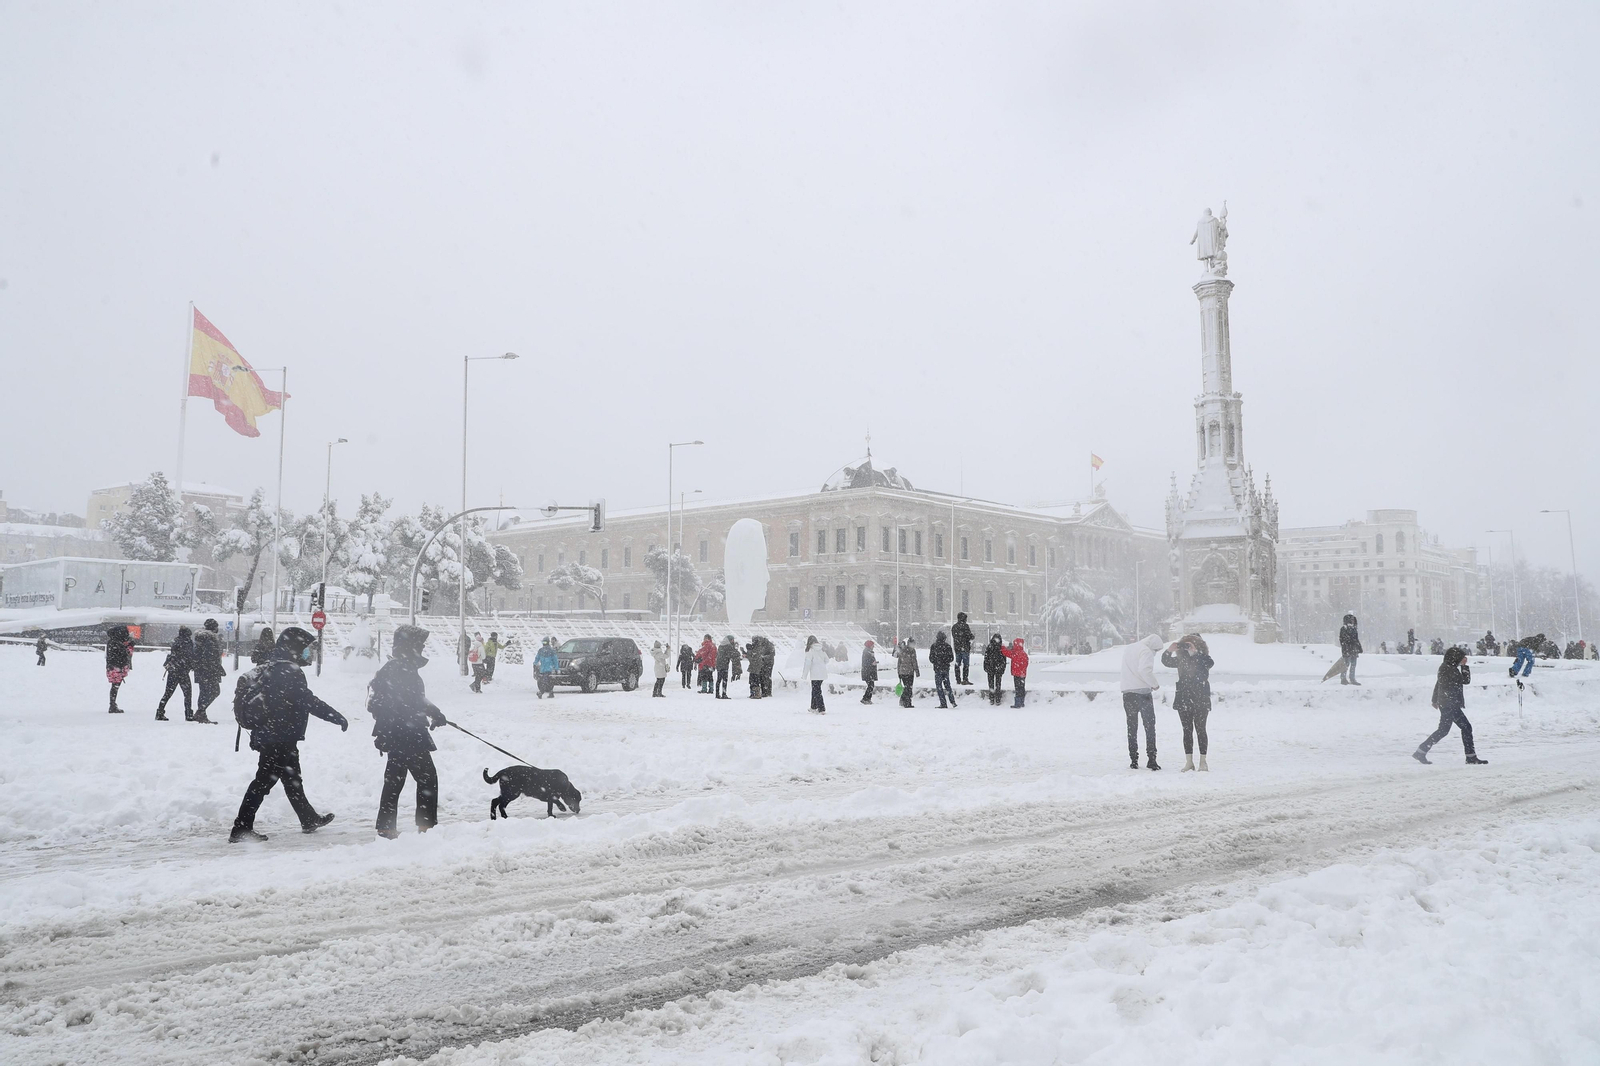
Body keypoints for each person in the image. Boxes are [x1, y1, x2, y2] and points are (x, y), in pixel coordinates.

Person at [230, 627, 347, 842]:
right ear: (293, 648)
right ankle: (241, 827)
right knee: (263, 781)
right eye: (303, 648)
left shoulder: (273, 667)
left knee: (292, 779)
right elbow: (307, 700)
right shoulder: (289, 671)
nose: (306, 653)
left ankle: (308, 818)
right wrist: (336, 716)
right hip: (279, 737)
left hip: (275, 734)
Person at [368, 624, 448, 838]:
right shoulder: (401, 670)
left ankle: (386, 826)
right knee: (427, 779)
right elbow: (411, 701)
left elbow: (414, 700)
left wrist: (434, 712)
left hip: (397, 733)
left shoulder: (394, 668)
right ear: (409, 646)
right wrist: (430, 713)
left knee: (394, 780)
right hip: (408, 733)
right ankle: (426, 825)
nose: (422, 648)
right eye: (419, 644)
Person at [1414, 646, 1487, 765]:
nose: (1463, 659)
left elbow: (1439, 683)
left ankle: (1421, 751)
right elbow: (1465, 680)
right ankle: (1470, 757)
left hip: (1447, 703)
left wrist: (1435, 699)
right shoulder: (1449, 669)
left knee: (1444, 730)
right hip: (1450, 704)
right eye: (1461, 658)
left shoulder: (1445, 667)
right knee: (1466, 727)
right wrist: (1464, 666)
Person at [1162, 635, 1214, 771]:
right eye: (1185, 645)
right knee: (1187, 730)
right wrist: (1169, 650)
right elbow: (1166, 661)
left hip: (1200, 698)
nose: (1187, 647)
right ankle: (1189, 761)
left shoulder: (1204, 658)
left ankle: (1203, 761)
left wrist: (1195, 652)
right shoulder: (1181, 659)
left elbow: (1210, 663)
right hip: (1184, 698)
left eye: (1190, 645)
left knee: (1201, 729)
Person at [1121, 634, 1163, 770]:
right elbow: (1144, 670)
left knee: (1131, 728)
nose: (1155, 653)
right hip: (1143, 694)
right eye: (1156, 650)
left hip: (1127, 693)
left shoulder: (1129, 648)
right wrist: (1154, 684)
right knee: (1149, 727)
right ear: (1153, 647)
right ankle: (1152, 759)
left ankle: (1133, 759)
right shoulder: (1146, 651)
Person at [155, 626, 196, 721]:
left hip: (173, 671)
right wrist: (192, 665)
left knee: (168, 693)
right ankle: (188, 714)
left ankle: (160, 712)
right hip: (182, 671)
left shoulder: (176, 641)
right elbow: (189, 656)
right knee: (187, 694)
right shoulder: (187, 642)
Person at [192, 619, 226, 724]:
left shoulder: (200, 638)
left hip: (200, 669)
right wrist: (217, 668)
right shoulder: (210, 639)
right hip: (209, 670)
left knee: (203, 691)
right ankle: (200, 712)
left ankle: (201, 713)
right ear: (214, 628)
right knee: (215, 691)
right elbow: (211, 657)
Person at [105, 624, 136, 714]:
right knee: (115, 686)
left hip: (113, 667)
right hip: (116, 667)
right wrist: (129, 646)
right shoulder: (116, 643)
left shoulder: (112, 642)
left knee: (115, 686)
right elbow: (124, 654)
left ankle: (113, 704)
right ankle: (112, 705)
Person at [802, 635, 829, 713]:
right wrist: (821, 664)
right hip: (822, 674)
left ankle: (821, 709)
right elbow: (827, 660)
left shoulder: (810, 650)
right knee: (815, 690)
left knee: (816, 691)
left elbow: (807, 664)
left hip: (815, 674)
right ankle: (813, 707)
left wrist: (804, 675)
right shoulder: (822, 649)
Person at [1001, 637, 1029, 708]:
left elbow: (1005, 653)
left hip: (1016, 674)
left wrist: (1003, 646)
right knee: (1022, 688)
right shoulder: (1024, 654)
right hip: (1022, 674)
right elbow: (1026, 664)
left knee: (1017, 689)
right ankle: (1022, 702)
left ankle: (1017, 703)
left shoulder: (1014, 653)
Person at [982, 634, 1006, 706]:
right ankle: (998, 699)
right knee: (998, 684)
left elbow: (986, 658)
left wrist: (986, 667)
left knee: (991, 684)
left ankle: (992, 698)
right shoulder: (1001, 648)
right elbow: (1004, 660)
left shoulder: (989, 647)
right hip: (998, 668)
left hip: (990, 668)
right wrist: (1002, 668)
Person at [1338, 614, 1362, 685]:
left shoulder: (1354, 629)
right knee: (1346, 665)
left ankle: (1352, 679)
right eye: (1351, 620)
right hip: (1347, 650)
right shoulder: (1343, 629)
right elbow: (1342, 640)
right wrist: (1346, 648)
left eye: (1353, 620)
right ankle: (1343, 678)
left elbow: (1356, 639)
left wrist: (1359, 648)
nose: (1352, 621)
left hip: (1354, 650)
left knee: (1353, 665)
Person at [895, 638, 920, 708]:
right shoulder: (912, 651)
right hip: (909, 672)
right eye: (913, 644)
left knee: (907, 687)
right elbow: (914, 662)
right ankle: (907, 702)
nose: (914, 645)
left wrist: (899, 672)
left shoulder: (903, 650)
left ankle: (904, 701)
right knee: (908, 687)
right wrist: (917, 671)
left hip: (903, 672)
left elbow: (899, 662)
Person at [951, 612, 974, 686]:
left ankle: (958, 679)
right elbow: (970, 636)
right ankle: (965, 679)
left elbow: (954, 636)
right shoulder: (965, 626)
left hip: (957, 648)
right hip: (965, 648)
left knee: (957, 664)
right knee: (966, 664)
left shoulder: (954, 627)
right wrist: (971, 636)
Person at [859, 639, 879, 704]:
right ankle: (865, 698)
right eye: (872, 645)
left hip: (869, 671)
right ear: (869, 645)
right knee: (871, 685)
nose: (873, 647)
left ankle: (867, 698)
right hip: (868, 672)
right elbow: (865, 663)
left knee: (871, 685)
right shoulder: (866, 653)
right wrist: (871, 664)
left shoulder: (869, 652)